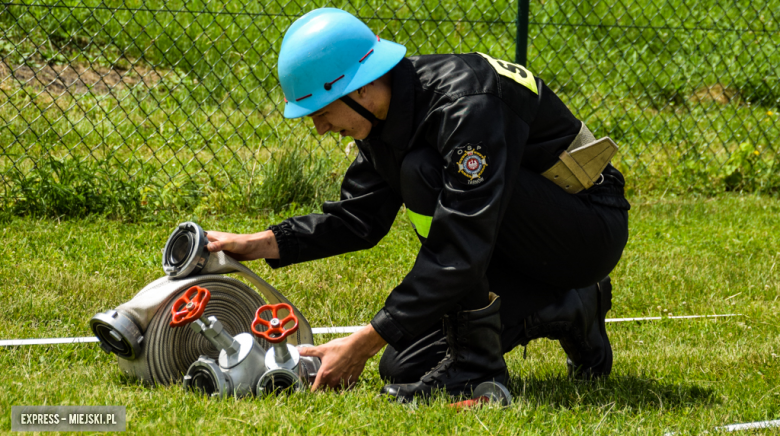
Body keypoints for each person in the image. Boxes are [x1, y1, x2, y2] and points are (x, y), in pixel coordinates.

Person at [205, 7, 630, 402]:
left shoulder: (467, 105)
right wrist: (255, 243)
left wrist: (362, 342)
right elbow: (357, 218)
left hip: (587, 229)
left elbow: (460, 246)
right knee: (403, 364)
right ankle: (571, 306)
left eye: (321, 110)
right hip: (507, 241)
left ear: (362, 87)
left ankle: (478, 372)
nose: (318, 127)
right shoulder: (384, 120)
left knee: (423, 170)